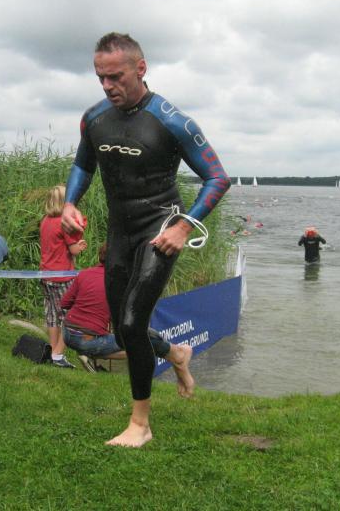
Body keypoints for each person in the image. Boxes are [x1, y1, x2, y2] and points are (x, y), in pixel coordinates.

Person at [61, 32, 230, 447]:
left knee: (133, 322)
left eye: (115, 77)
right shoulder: (94, 118)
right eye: (100, 77)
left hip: (160, 230)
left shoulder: (172, 120)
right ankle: (176, 353)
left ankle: (140, 425)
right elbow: (83, 165)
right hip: (120, 232)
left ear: (140, 69)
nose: (107, 86)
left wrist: (184, 226)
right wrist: (69, 204)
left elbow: (217, 178)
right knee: (122, 333)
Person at [61, 244, 194, 396]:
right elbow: (133, 321)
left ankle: (177, 355)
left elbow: (64, 303)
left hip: (67, 334)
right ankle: (177, 356)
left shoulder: (84, 274)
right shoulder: (122, 283)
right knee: (145, 341)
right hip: (88, 340)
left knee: (144, 340)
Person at [40, 184, 87, 368]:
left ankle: (52, 350)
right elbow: (73, 250)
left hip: (45, 275)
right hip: (62, 277)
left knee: (52, 315)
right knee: (70, 315)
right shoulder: (63, 223)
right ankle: (58, 355)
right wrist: (80, 246)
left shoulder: (45, 221)